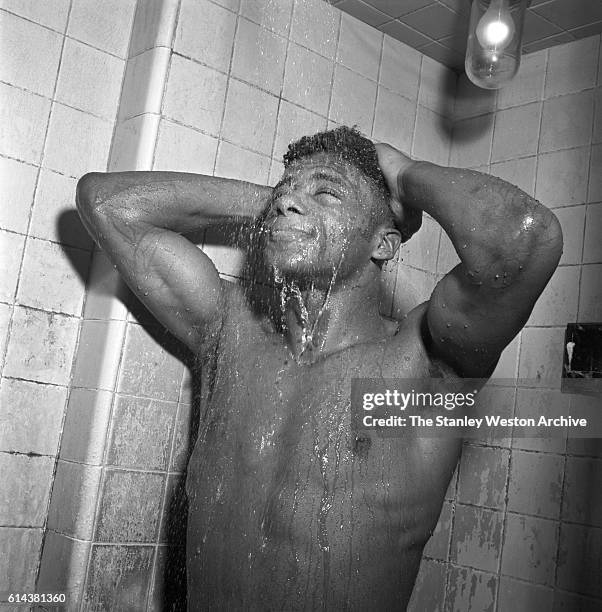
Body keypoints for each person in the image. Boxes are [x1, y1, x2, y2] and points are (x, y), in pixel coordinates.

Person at [76, 126, 562, 610]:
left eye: (327, 192)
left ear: (384, 245)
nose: (290, 202)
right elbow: (106, 204)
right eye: (285, 192)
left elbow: (524, 240)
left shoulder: (422, 363)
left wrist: (405, 175)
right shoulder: (228, 331)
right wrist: (279, 203)